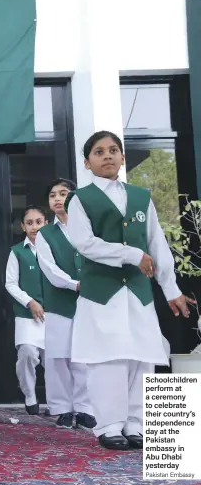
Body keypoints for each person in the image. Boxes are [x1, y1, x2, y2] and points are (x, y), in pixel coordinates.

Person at [66, 130, 194, 450]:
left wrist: (171, 289)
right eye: (99, 152)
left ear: (123, 157)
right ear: (87, 162)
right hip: (101, 293)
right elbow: (85, 244)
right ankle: (109, 426)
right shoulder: (81, 199)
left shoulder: (141, 197)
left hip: (138, 292)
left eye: (113, 150)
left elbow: (157, 244)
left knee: (142, 356)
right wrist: (130, 255)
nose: (107, 155)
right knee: (108, 358)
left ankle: (135, 423)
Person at [36, 179, 95, 430]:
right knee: (59, 356)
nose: (57, 198)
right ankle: (63, 408)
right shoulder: (45, 233)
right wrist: (75, 284)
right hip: (59, 301)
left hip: (92, 301)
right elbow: (50, 270)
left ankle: (85, 408)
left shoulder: (91, 228)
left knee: (85, 356)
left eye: (63, 193)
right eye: (52, 195)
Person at [5, 206, 47, 415]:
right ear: (23, 226)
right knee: (28, 354)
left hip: (55, 314)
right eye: (29, 223)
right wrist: (30, 302)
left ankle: (62, 404)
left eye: (38, 222)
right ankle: (30, 395)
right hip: (27, 314)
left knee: (56, 361)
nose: (34, 227)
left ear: (45, 223)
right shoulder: (17, 252)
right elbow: (10, 284)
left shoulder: (55, 249)